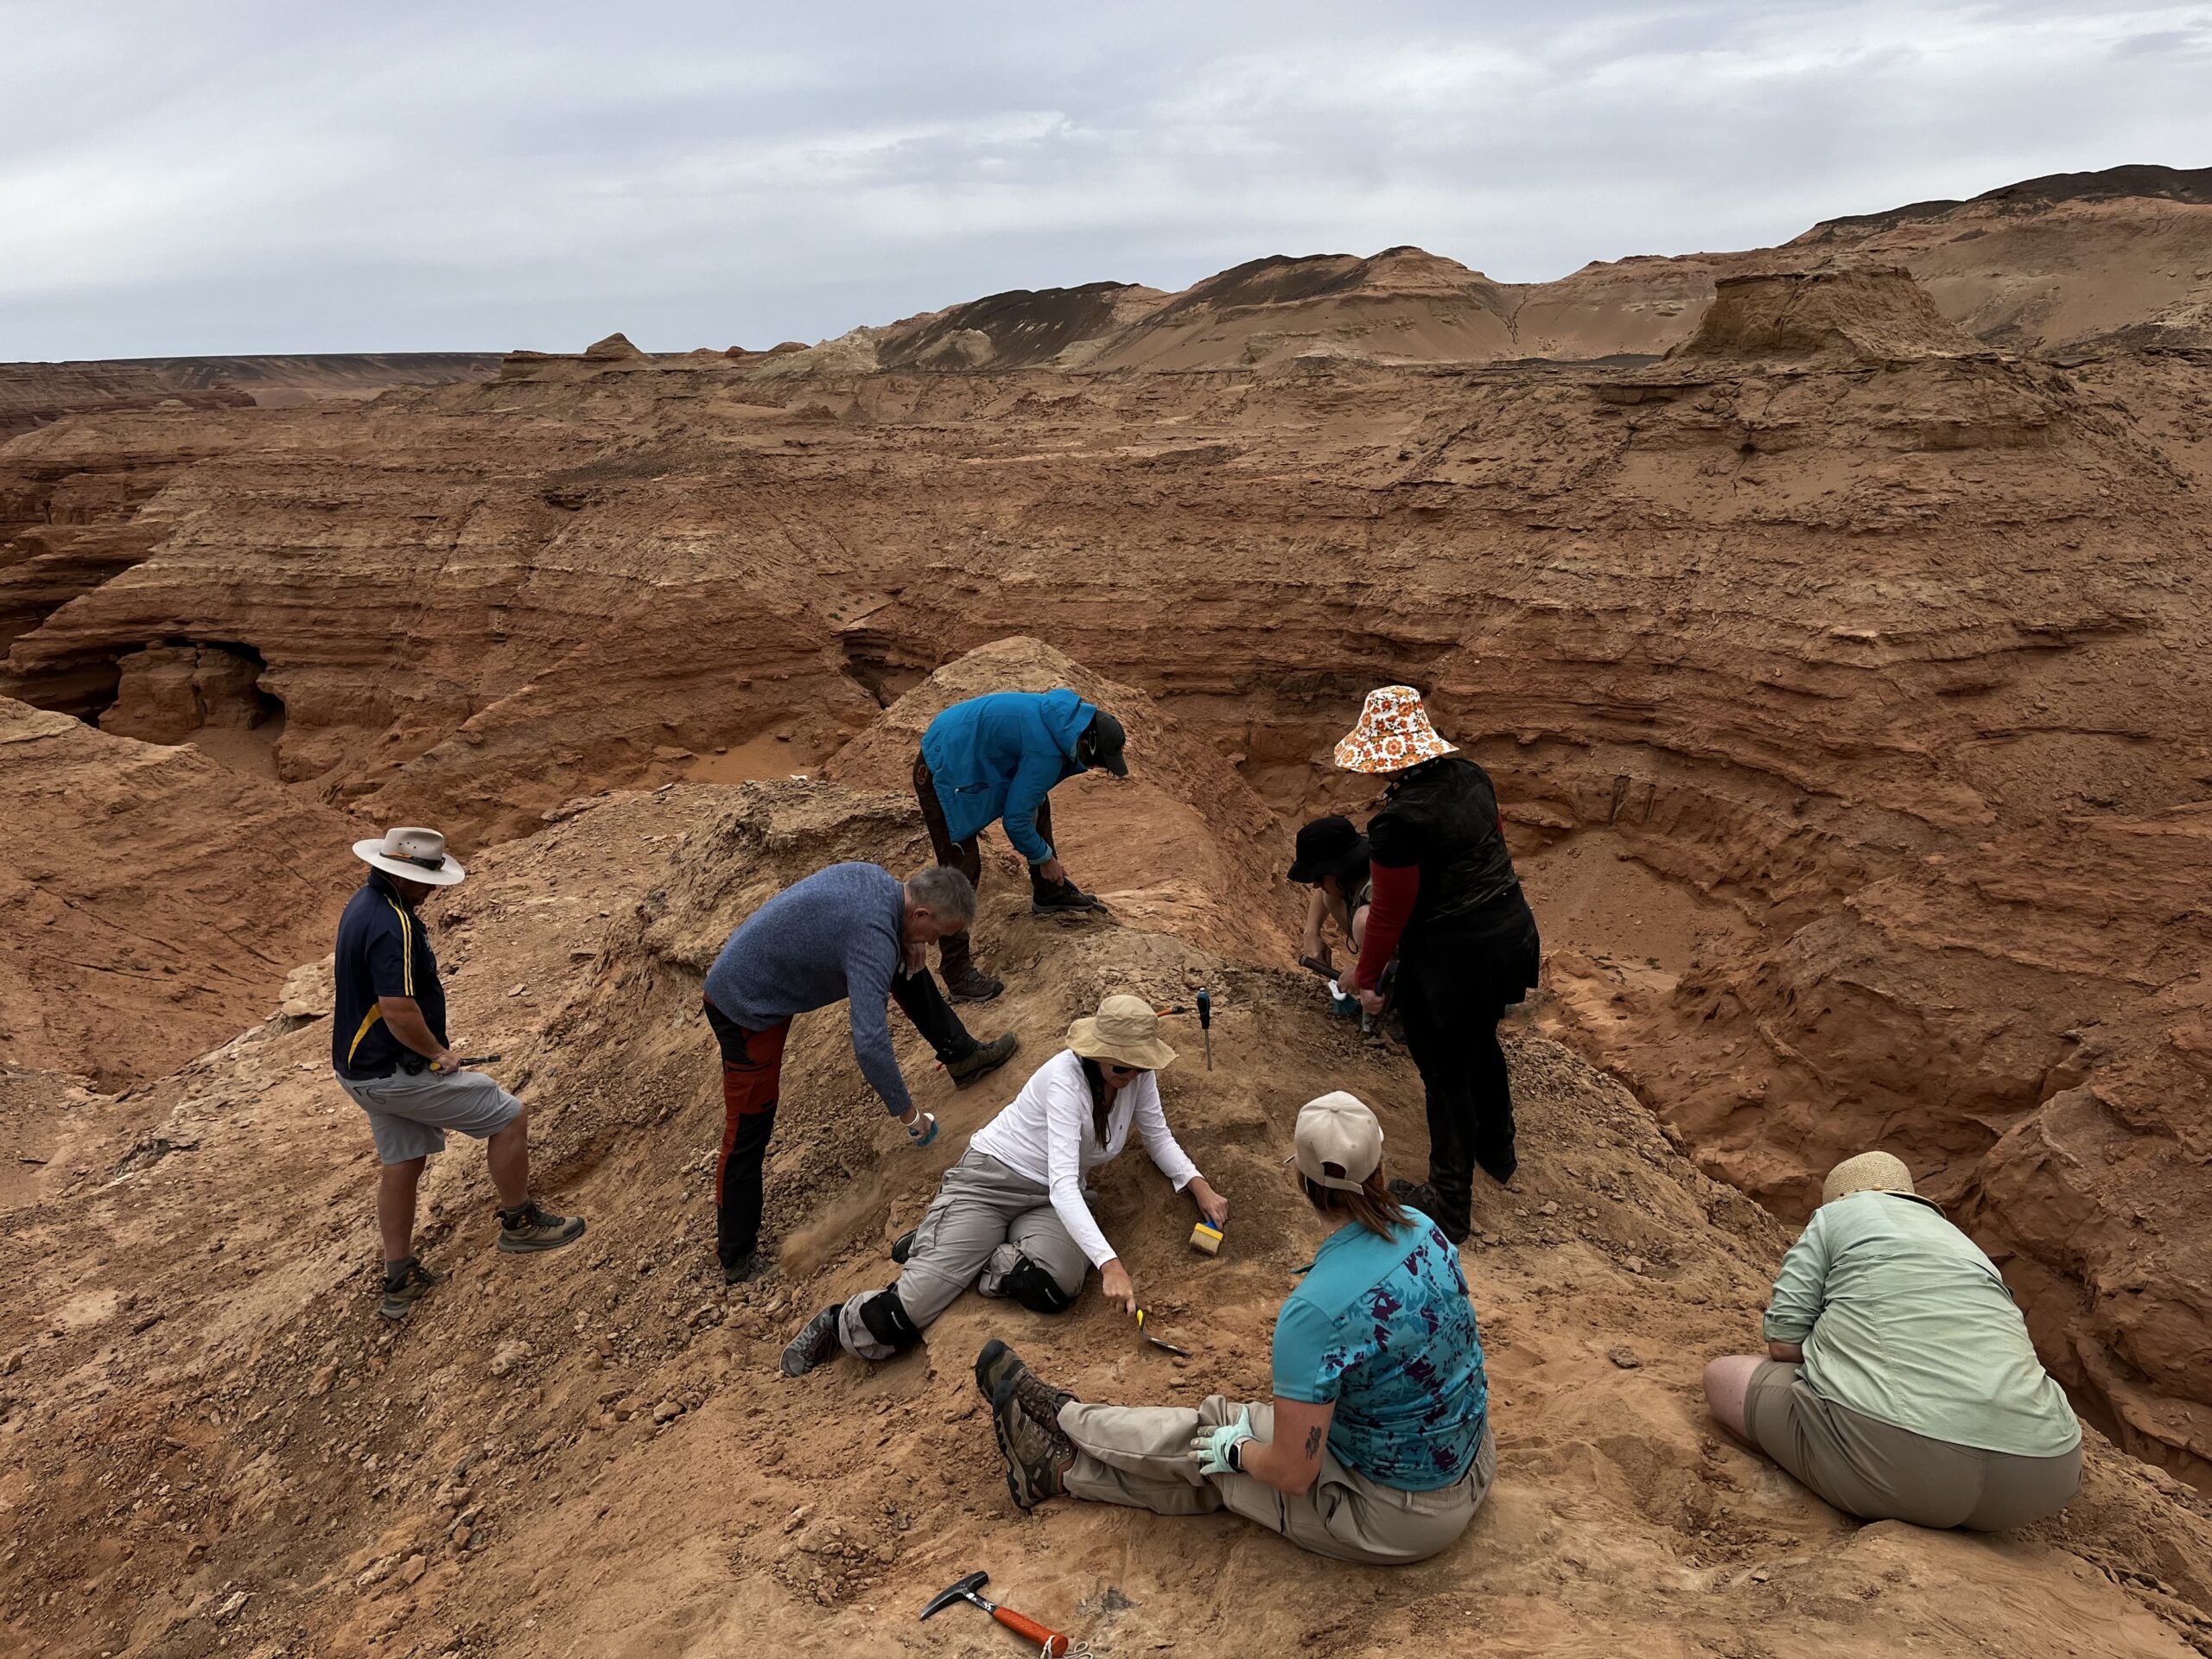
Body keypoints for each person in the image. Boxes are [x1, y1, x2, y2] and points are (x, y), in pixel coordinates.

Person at [971, 1092, 1494, 1566]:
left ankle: (1065, 1419)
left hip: (1392, 1515)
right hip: (1467, 1464)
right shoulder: (1426, 1230)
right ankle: (1061, 1471)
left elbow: (1292, 1473)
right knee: (1225, 1459)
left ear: (1302, 1181)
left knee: (1214, 1440)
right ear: (1380, 1168)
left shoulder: (1315, 1312)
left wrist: (1238, 1450)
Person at [780, 994, 1227, 1374]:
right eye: (1124, 1067)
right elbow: (1064, 1186)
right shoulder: (1066, 1081)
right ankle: (840, 1321)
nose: (1133, 1076)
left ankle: (965, 1250)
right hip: (990, 1184)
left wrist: (1198, 1186)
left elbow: (1157, 1135)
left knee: (1053, 1288)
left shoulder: (1137, 1076)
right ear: (1098, 1052)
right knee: (897, 1322)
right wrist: (1111, 1265)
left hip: (1048, 1198)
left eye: (1139, 1066)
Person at [1703, 1151, 2082, 1531]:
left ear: (1836, 1198)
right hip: (2045, 1475)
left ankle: (1829, 1462)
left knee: (1722, 1376)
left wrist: (1836, 1350)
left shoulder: (1836, 1216)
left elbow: (1784, 1343)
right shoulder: (1963, 1243)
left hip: (1905, 1469)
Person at [702, 862, 1019, 1284]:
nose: (934, 943)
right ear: (921, 913)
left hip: (766, 970)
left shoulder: (881, 887)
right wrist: (908, 1114)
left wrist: (908, 941)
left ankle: (961, 1056)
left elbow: (886, 935)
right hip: (744, 1005)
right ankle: (736, 1256)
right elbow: (870, 1044)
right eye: (936, 934)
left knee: (905, 962)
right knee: (749, 1126)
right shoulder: (873, 938)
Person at [331, 827, 586, 1321]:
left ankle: (399, 1279)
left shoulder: (363, 904)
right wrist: (437, 1053)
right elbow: (397, 1008)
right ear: (403, 876)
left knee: (404, 1162)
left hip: (359, 1070)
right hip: (390, 1072)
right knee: (508, 1116)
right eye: (426, 880)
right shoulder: (394, 924)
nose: (431, 890)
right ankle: (520, 1224)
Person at [1335, 685, 1538, 1239]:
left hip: (1454, 959)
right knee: (1482, 1040)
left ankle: (1449, 1204)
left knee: (1445, 1075)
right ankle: (1498, 1151)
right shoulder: (1471, 775)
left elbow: (1388, 913)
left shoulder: (1397, 823)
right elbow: (1490, 847)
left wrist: (1367, 978)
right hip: (1509, 932)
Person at [912, 688, 1130, 1002]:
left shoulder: (1063, 721)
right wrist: (1045, 858)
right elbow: (1015, 822)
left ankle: (1049, 893)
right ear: (1088, 745)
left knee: (1038, 801)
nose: (1093, 768)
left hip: (964, 749)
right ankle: (957, 973)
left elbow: (1027, 794)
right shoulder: (1047, 751)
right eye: (1098, 763)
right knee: (960, 870)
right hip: (942, 767)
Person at [1290, 814, 1373, 973]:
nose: (1315, 885)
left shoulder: (1377, 891)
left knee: (1363, 921)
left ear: (1341, 869)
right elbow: (1323, 891)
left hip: (1414, 964)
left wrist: (1363, 975)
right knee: (1329, 895)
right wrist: (1311, 932)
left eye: (1319, 877)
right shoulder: (1349, 878)